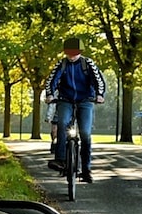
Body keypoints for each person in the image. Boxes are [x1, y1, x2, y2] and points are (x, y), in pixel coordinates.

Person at [44, 37, 105, 183]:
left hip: (85, 101)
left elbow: (99, 80)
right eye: (69, 53)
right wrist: (50, 94)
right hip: (65, 100)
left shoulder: (87, 64)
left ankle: (86, 170)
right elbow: (51, 80)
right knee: (62, 123)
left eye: (74, 53)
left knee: (85, 134)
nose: (71, 56)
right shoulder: (62, 64)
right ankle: (60, 160)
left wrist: (100, 95)